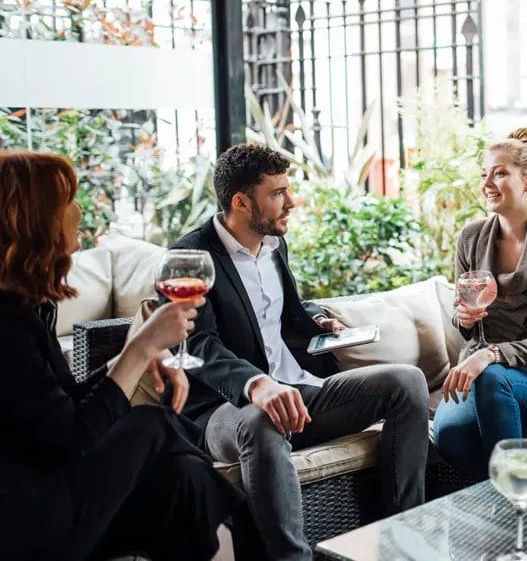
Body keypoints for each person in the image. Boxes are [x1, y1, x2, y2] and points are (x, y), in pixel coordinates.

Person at [172, 143, 429, 561]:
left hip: (298, 391)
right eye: (277, 193)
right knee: (261, 419)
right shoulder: (189, 257)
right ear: (241, 201)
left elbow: (280, 311)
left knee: (406, 382)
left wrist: (320, 320)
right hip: (224, 411)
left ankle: (403, 536)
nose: (291, 201)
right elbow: (197, 344)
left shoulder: (273, 244)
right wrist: (257, 385)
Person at [0, 151, 240, 561]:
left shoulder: (28, 307)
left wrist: (131, 355)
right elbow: (70, 439)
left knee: (184, 478)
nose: (80, 209)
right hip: (27, 523)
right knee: (153, 421)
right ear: (39, 219)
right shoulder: (6, 323)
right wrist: (142, 347)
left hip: (49, 496)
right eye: (69, 199)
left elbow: (66, 406)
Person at [433, 128, 527, 478]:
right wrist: (465, 319)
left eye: (499, 173)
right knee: (449, 436)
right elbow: (466, 327)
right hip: (482, 377)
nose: (487, 183)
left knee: (492, 378)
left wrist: (490, 355)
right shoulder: (471, 236)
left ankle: (511, 505)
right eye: (484, 174)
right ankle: (516, 498)